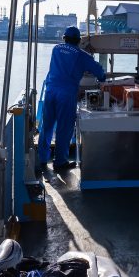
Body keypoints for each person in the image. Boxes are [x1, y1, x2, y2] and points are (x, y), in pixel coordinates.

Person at [37, 26, 106, 172]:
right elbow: (99, 72)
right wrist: (102, 77)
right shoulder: (82, 55)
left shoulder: (55, 49)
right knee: (64, 127)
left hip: (50, 91)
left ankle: (42, 158)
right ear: (79, 40)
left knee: (47, 126)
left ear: (64, 38)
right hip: (66, 93)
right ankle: (60, 161)